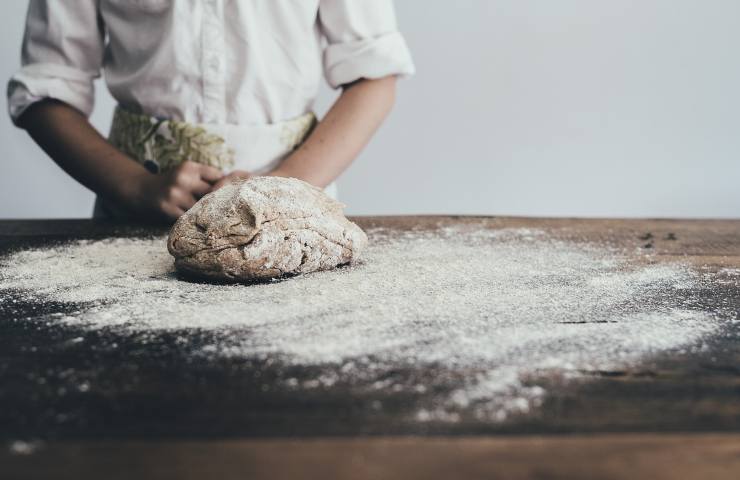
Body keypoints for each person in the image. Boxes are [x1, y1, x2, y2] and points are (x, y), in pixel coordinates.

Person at [8, 0, 414, 220]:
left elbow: (373, 76)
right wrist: (134, 187)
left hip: (294, 211)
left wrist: (281, 189)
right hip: (136, 213)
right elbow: (45, 90)